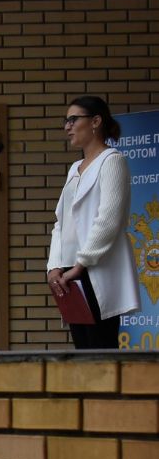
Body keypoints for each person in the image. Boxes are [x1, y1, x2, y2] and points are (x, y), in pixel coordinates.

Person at [46, 94, 141, 349]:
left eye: (73, 120)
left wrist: (81, 264)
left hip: (93, 268)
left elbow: (108, 219)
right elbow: (61, 222)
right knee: (82, 350)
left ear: (96, 121)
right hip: (70, 273)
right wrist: (54, 266)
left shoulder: (112, 161)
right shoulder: (75, 168)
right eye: (66, 121)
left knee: (101, 348)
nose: (67, 127)